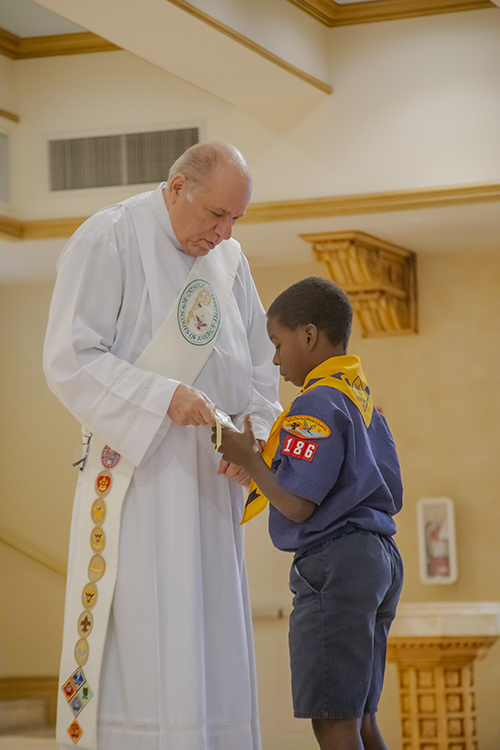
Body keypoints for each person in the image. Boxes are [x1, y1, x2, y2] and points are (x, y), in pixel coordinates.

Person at [43, 141, 281, 750]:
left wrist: (253, 434)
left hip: (214, 486)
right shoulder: (110, 237)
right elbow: (71, 357)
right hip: (139, 482)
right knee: (151, 634)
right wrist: (159, 397)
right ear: (177, 187)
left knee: (213, 640)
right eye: (215, 215)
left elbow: (260, 365)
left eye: (236, 219)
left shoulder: (231, 262)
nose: (224, 233)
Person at [213, 277, 404, 750]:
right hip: (378, 557)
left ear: (310, 336)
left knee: (332, 723)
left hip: (335, 563)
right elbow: (389, 491)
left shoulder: (315, 402)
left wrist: (250, 457)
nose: (275, 360)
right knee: (359, 719)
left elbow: (299, 503)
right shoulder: (363, 401)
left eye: (277, 344)